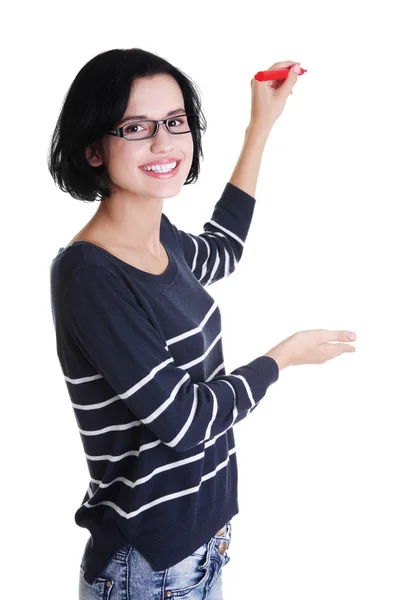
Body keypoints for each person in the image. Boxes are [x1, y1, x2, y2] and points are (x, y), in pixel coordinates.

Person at [48, 47, 357, 600]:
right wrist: (281, 359)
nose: (164, 143)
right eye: (136, 128)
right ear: (93, 148)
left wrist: (260, 126)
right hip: (148, 567)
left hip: (201, 547)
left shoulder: (160, 238)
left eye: (175, 122)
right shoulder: (89, 275)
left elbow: (224, 249)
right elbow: (186, 423)